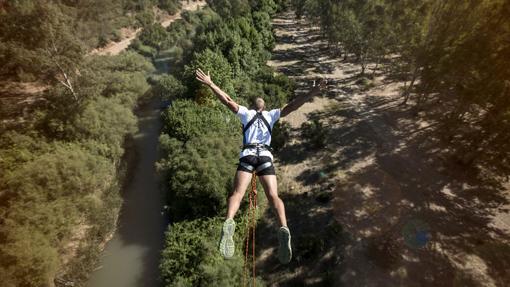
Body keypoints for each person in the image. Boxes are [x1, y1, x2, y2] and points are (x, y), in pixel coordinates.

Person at [195, 68, 327, 264]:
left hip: (247, 156)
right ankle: (283, 227)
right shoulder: (271, 115)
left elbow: (227, 101)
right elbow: (292, 106)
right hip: (265, 156)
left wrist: (211, 84)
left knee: (237, 194)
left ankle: (229, 220)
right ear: (263, 107)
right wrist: (310, 93)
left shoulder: (246, 114)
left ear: (253, 106)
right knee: (274, 196)